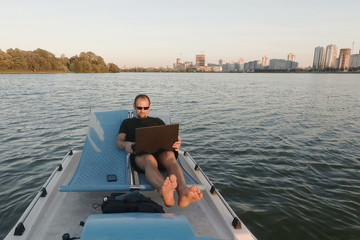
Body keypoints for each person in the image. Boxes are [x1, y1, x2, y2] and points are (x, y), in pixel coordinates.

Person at [116, 94, 203, 207]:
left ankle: (183, 192)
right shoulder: (127, 122)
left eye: (145, 108)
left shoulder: (157, 121)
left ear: (149, 107)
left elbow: (168, 136)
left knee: (170, 156)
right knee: (149, 159)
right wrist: (126, 144)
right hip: (141, 154)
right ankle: (164, 191)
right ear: (134, 106)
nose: (142, 111)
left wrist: (176, 141)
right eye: (139, 108)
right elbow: (119, 142)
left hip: (161, 151)